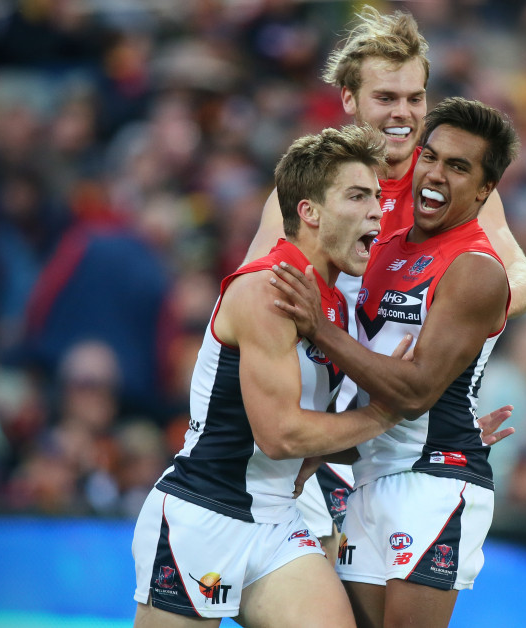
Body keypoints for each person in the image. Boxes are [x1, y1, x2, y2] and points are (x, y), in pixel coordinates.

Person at [242, 6, 523, 560]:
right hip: (309, 439)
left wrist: (444, 406)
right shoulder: (313, 191)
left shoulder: (448, 181)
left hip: (380, 439)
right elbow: (259, 303)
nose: (403, 114)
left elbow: (521, 280)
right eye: (385, 98)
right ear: (349, 100)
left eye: (415, 98)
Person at [131, 124, 407, 627]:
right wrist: (387, 412)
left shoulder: (330, 305)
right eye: (358, 196)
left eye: (379, 198)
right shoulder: (269, 290)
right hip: (205, 513)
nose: (377, 211)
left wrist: (436, 428)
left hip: (277, 517)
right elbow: (281, 436)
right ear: (309, 212)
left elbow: (322, 442)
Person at [271, 96, 519, 628]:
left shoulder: (476, 269)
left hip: (433, 478)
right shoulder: (382, 245)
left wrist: (319, 328)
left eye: (458, 167)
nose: (434, 173)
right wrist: (315, 455)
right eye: (430, 157)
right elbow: (361, 373)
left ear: (484, 189)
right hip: (368, 474)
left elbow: (413, 395)